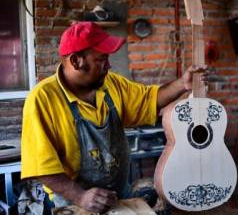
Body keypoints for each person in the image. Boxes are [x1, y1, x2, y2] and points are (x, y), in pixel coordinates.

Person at [21, 21, 211, 214]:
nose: (108, 65)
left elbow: (150, 100)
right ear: (76, 61)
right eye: (101, 59)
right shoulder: (43, 99)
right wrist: (81, 197)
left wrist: (182, 84)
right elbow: (42, 167)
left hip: (118, 194)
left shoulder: (111, 84)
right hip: (72, 202)